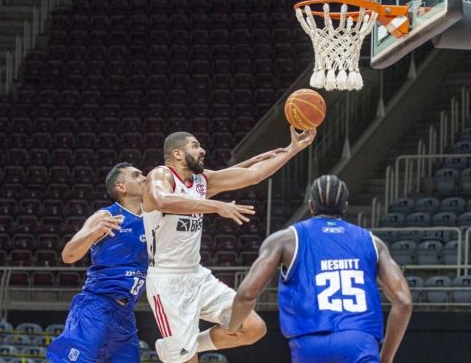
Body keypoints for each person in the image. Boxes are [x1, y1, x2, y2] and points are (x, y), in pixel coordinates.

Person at [143, 127, 316, 363]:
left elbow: (253, 175)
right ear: (177, 154)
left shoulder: (201, 182)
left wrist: (292, 149)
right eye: (194, 145)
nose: (202, 150)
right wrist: (217, 206)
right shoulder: (161, 175)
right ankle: (181, 351)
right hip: (167, 281)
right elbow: (160, 200)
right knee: (187, 360)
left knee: (253, 327)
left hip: (197, 275)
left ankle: (181, 348)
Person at [226, 175, 412, 363]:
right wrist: (386, 359)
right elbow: (403, 302)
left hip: (310, 344)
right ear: (345, 207)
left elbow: (246, 294)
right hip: (359, 343)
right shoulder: (373, 243)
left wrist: (232, 328)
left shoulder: (285, 240)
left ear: (311, 206)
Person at [47, 162, 147, 363]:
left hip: (125, 314)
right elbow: (68, 255)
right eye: (136, 175)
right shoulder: (107, 215)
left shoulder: (152, 219)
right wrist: (93, 233)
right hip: (96, 306)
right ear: (121, 187)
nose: (145, 178)